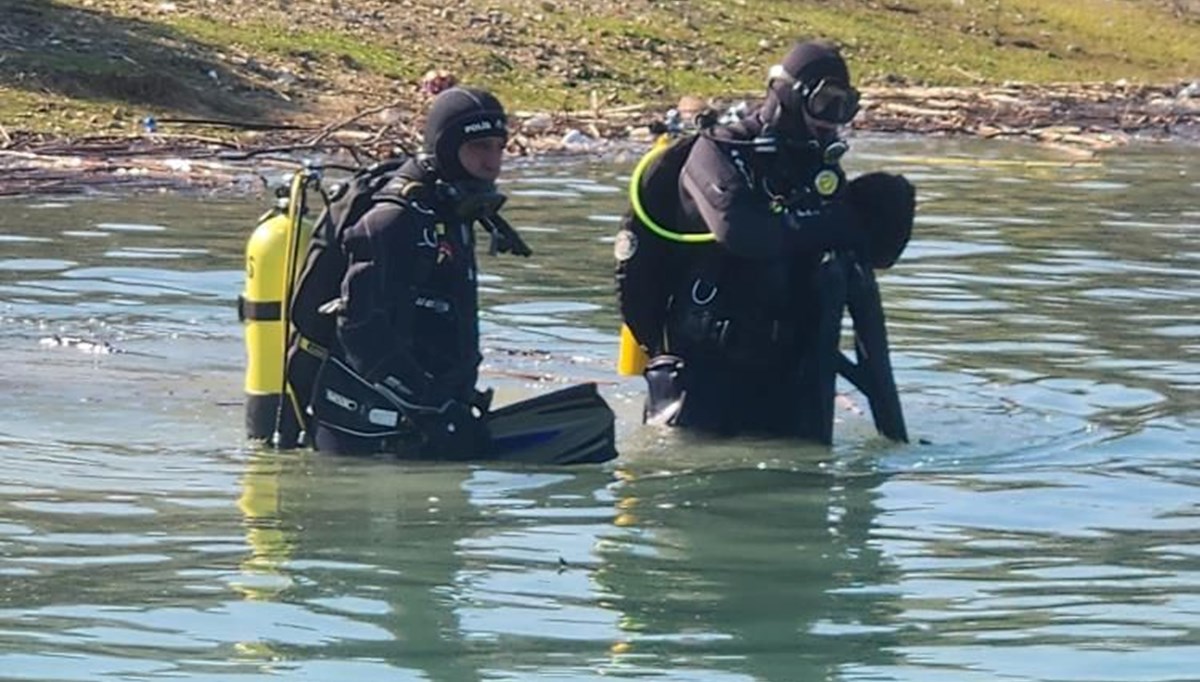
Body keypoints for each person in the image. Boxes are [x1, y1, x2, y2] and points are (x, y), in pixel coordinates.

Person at [615, 40, 916, 439]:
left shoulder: (817, 171)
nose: (832, 120)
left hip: (786, 372)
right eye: (824, 102)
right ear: (789, 95)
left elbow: (863, 269)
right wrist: (837, 223)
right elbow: (741, 232)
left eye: (845, 106)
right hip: (705, 373)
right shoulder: (719, 152)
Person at [300, 86, 515, 457]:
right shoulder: (393, 220)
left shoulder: (453, 213)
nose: (492, 162)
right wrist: (430, 405)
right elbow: (359, 330)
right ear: (446, 148)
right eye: (480, 147)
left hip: (427, 422)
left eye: (499, 147)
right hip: (366, 434)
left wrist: (455, 402)